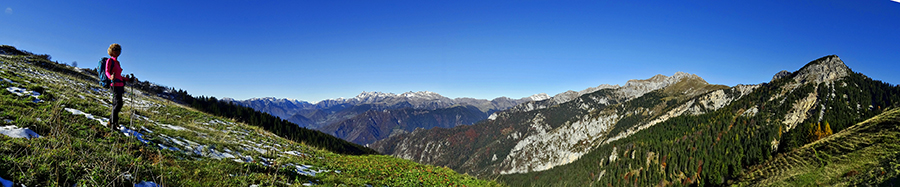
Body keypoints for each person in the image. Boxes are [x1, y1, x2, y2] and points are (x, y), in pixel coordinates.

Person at [105, 43, 137, 129]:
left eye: (119, 49)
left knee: (118, 104)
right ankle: (111, 123)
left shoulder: (117, 62)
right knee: (118, 104)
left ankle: (113, 122)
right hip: (114, 85)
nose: (118, 51)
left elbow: (119, 75)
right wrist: (110, 77)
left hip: (120, 85)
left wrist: (128, 79)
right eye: (115, 49)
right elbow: (107, 71)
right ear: (111, 50)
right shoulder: (110, 61)